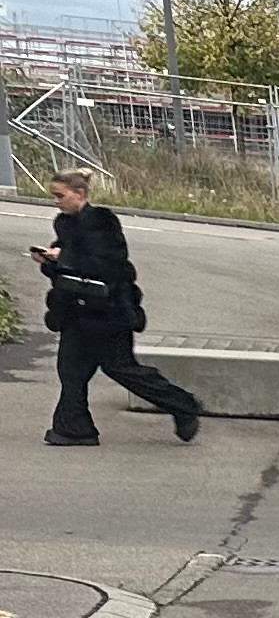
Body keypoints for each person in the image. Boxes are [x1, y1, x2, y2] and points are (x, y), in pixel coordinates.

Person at [30, 171, 202, 448]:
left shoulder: (101, 220)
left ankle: (183, 405)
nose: (56, 202)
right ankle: (73, 428)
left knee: (120, 368)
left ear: (79, 194)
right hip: (77, 310)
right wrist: (50, 261)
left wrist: (64, 258)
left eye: (60, 196)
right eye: (54, 196)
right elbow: (69, 271)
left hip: (108, 311)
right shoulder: (64, 223)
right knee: (71, 371)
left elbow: (107, 264)